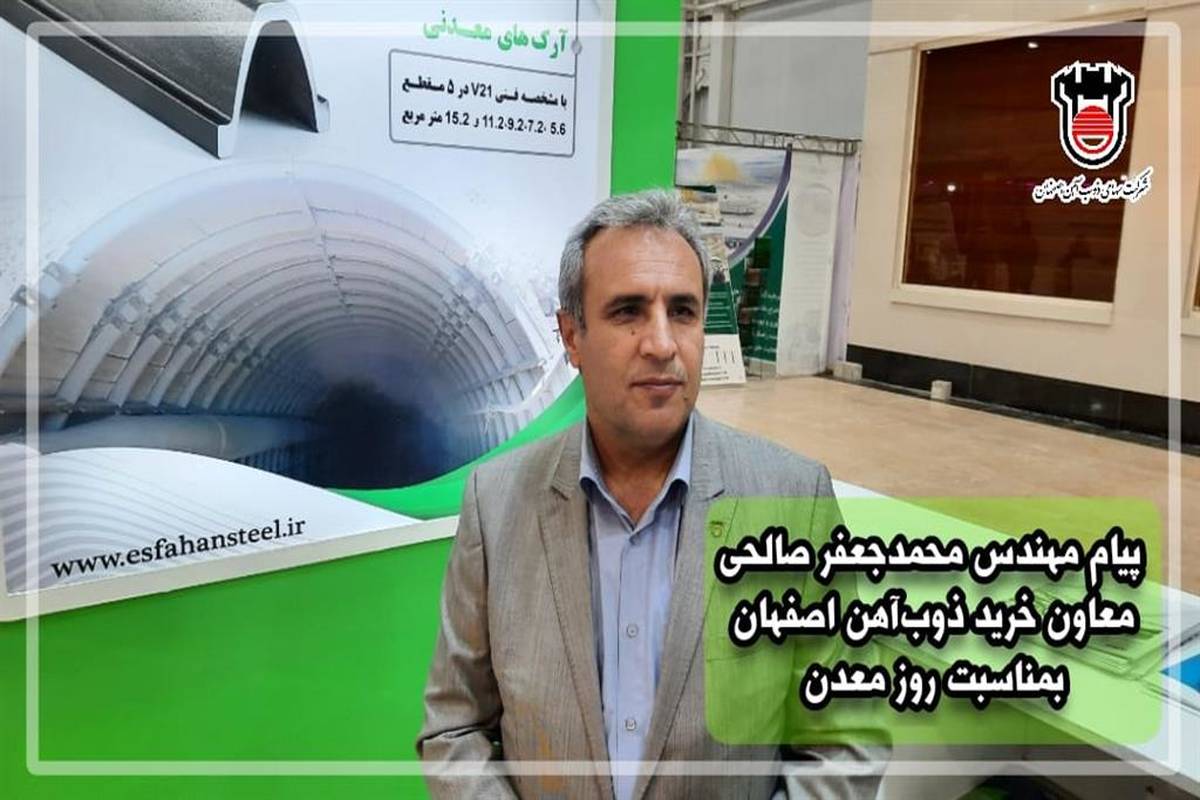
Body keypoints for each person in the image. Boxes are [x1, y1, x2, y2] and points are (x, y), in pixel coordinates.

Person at [417, 189, 885, 799]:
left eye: (683, 311)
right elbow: (455, 729)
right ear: (571, 337)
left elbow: (847, 741)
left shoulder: (794, 502)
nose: (662, 344)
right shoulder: (498, 503)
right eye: (628, 311)